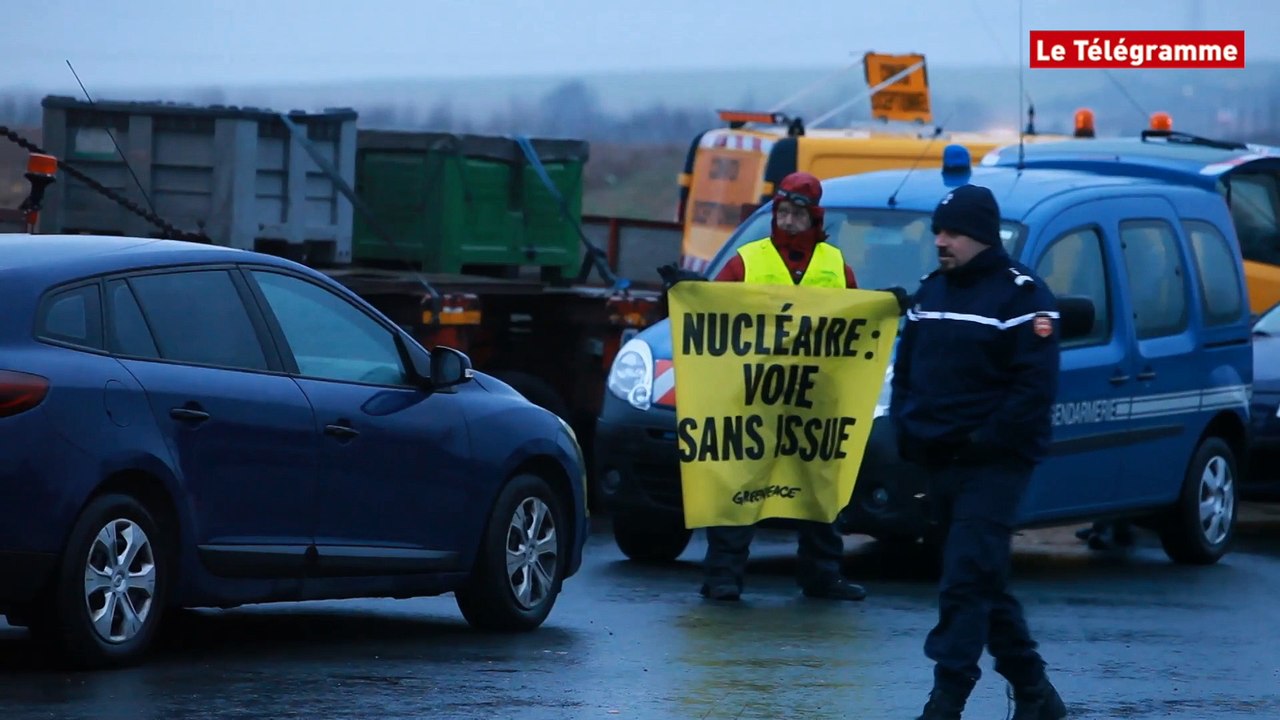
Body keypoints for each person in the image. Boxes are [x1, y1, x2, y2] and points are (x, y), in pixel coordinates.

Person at [891, 184, 1067, 720]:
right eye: (937, 231)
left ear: (982, 237)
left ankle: (947, 698)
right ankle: (1035, 692)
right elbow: (907, 369)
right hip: (938, 459)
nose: (941, 241)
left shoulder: (1022, 298)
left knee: (965, 576)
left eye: (953, 232)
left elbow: (1032, 391)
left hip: (995, 463)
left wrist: (981, 440)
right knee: (981, 574)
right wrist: (906, 427)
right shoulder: (932, 293)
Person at [688, 171, 878, 603]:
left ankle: (822, 576)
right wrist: (685, 290)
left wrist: (886, 307)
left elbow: (857, 321)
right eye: (783, 212)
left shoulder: (834, 266)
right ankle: (723, 577)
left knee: (821, 489)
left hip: (815, 402)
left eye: (797, 214)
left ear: (815, 218)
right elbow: (713, 310)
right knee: (739, 487)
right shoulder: (746, 260)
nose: (788, 221)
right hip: (754, 399)